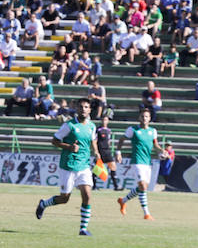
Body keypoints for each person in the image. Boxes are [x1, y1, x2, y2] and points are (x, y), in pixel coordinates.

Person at [35, 98, 100, 236]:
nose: (83, 109)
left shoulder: (92, 126)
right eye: (81, 106)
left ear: (90, 110)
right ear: (77, 109)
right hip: (68, 165)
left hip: (84, 166)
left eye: (86, 107)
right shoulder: (68, 126)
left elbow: (93, 140)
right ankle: (43, 204)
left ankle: (83, 229)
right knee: (64, 198)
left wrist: (96, 152)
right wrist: (69, 147)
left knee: (87, 195)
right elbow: (54, 141)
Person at [116, 109, 163, 220]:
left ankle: (123, 201)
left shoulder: (153, 131)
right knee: (142, 186)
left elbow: (156, 145)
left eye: (146, 116)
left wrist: (162, 151)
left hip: (147, 162)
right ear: (139, 118)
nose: (144, 118)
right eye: (142, 116)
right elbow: (121, 139)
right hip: (137, 162)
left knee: (142, 187)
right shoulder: (133, 130)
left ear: (150, 118)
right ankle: (146, 214)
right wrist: (118, 152)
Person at [95, 113, 121, 190]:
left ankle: (116, 186)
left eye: (105, 119)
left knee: (113, 166)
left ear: (108, 121)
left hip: (107, 151)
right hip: (101, 151)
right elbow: (95, 141)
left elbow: (108, 141)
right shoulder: (98, 130)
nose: (104, 121)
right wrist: (96, 151)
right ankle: (94, 186)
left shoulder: (109, 130)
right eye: (103, 119)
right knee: (98, 169)